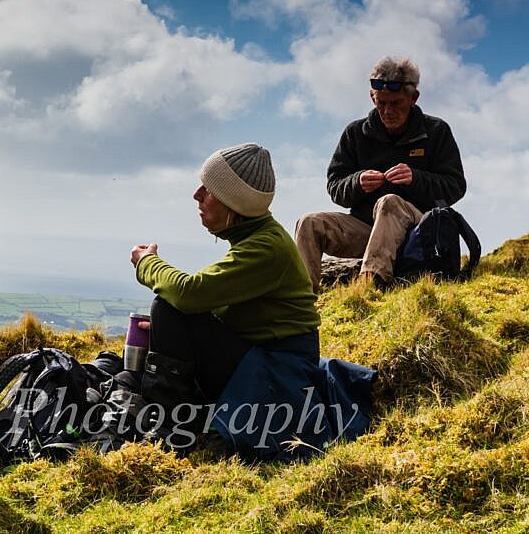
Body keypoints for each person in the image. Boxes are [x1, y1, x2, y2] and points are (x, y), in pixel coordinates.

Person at [129, 144, 373, 460]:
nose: (197, 195)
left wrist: (147, 262)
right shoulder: (256, 238)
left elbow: (190, 293)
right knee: (169, 314)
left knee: (168, 305)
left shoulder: (266, 248)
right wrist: (171, 332)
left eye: (209, 190)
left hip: (275, 379)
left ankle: (171, 435)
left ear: (234, 202)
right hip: (261, 363)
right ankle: (179, 423)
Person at [294, 57, 466, 290]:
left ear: (413, 98)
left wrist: (416, 179)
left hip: (417, 232)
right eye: (381, 103)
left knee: (389, 202)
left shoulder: (436, 131)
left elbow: (455, 186)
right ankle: (301, 296)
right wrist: (357, 183)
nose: (387, 111)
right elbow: (335, 185)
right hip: (366, 230)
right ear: (372, 97)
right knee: (309, 222)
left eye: (396, 104)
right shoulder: (355, 133)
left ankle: (371, 286)